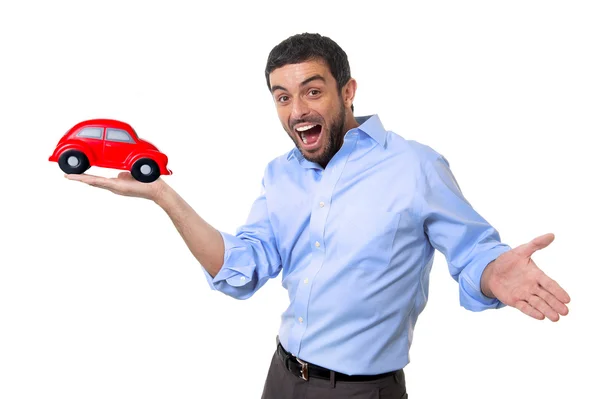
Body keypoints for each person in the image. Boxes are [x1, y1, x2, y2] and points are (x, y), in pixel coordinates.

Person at [66, 33, 571, 399]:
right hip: (281, 377)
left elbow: (474, 251)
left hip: (360, 392)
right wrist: (165, 198)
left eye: (312, 91)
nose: (297, 110)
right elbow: (240, 268)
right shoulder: (279, 175)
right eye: (282, 97)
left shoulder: (415, 166)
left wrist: (491, 271)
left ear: (347, 91)